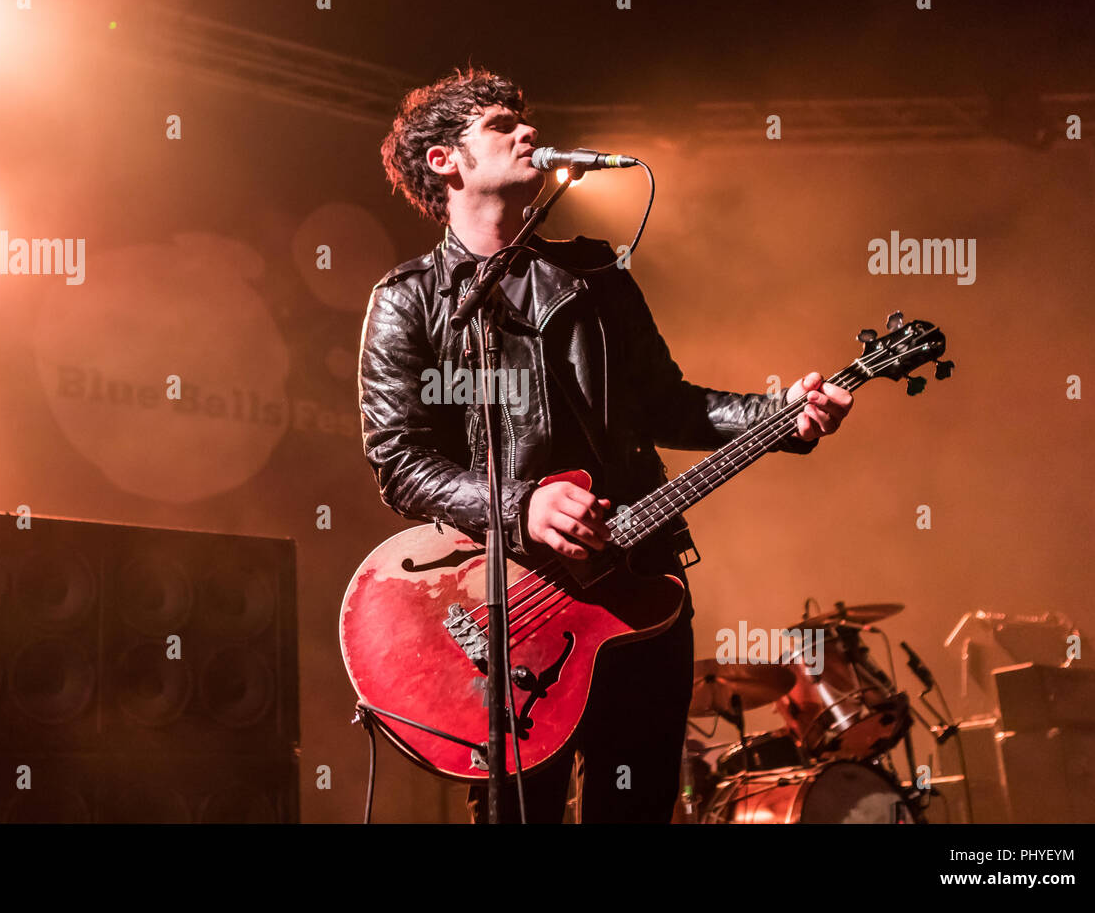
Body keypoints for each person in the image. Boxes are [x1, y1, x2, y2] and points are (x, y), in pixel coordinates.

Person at [359, 65, 852, 822]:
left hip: (639, 595)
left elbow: (669, 406)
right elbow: (398, 460)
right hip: (508, 608)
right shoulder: (409, 301)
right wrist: (521, 506)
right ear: (444, 161)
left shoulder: (598, 277)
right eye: (500, 124)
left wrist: (779, 413)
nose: (529, 131)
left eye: (526, 120)